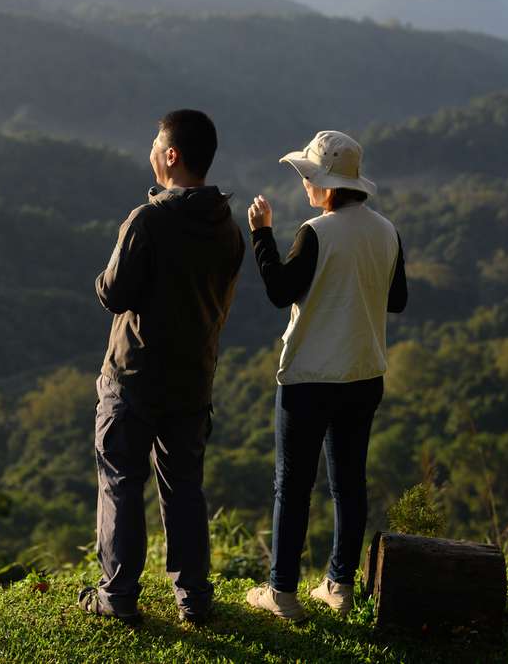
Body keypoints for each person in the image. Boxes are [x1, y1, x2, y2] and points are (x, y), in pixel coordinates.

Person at [77, 109, 245, 626]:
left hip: (134, 377)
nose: (150, 149)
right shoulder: (226, 227)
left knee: (121, 482)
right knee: (184, 488)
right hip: (193, 378)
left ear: (171, 156)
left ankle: (118, 595)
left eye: (155, 142)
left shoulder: (147, 220)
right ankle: (193, 597)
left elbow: (114, 291)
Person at [242, 130, 407, 621]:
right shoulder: (387, 232)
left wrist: (261, 234)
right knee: (348, 483)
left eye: (309, 178)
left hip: (310, 376)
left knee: (292, 486)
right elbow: (396, 300)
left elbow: (279, 290)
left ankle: (283, 593)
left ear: (325, 185)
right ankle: (339, 584)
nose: (306, 187)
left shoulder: (316, 232)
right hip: (363, 372)